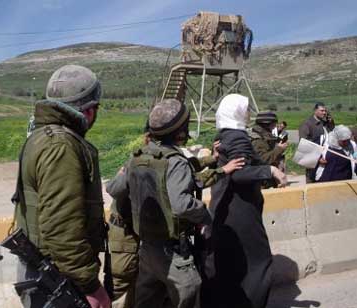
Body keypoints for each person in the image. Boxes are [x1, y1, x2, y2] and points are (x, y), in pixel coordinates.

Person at [107, 99, 244, 308]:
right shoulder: (175, 161)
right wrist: (204, 215)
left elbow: (114, 189)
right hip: (170, 250)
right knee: (190, 289)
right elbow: (181, 203)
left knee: (147, 299)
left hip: (147, 246)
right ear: (180, 131)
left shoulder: (138, 157)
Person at [13, 65, 111, 308]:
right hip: (59, 277)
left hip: (48, 269)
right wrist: (90, 286)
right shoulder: (62, 146)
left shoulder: (41, 136)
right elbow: (61, 226)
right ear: (88, 111)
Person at [202, 94, 287, 308]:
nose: (250, 114)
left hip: (226, 208)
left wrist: (266, 168)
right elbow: (239, 173)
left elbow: (249, 162)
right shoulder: (238, 137)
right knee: (258, 262)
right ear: (237, 111)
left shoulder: (226, 134)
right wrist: (271, 169)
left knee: (231, 263)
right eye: (246, 109)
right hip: (240, 211)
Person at [250, 111, 288, 187]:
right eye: (273, 123)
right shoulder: (258, 140)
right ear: (267, 124)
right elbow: (263, 159)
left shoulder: (264, 136)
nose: (275, 126)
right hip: (261, 181)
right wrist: (279, 149)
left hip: (266, 177)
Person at [299, 102, 335, 183]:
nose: (324, 113)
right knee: (312, 182)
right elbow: (304, 144)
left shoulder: (325, 123)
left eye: (325, 111)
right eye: (322, 111)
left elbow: (332, 135)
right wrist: (318, 158)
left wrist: (331, 122)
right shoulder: (307, 124)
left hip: (325, 158)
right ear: (315, 111)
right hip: (313, 160)